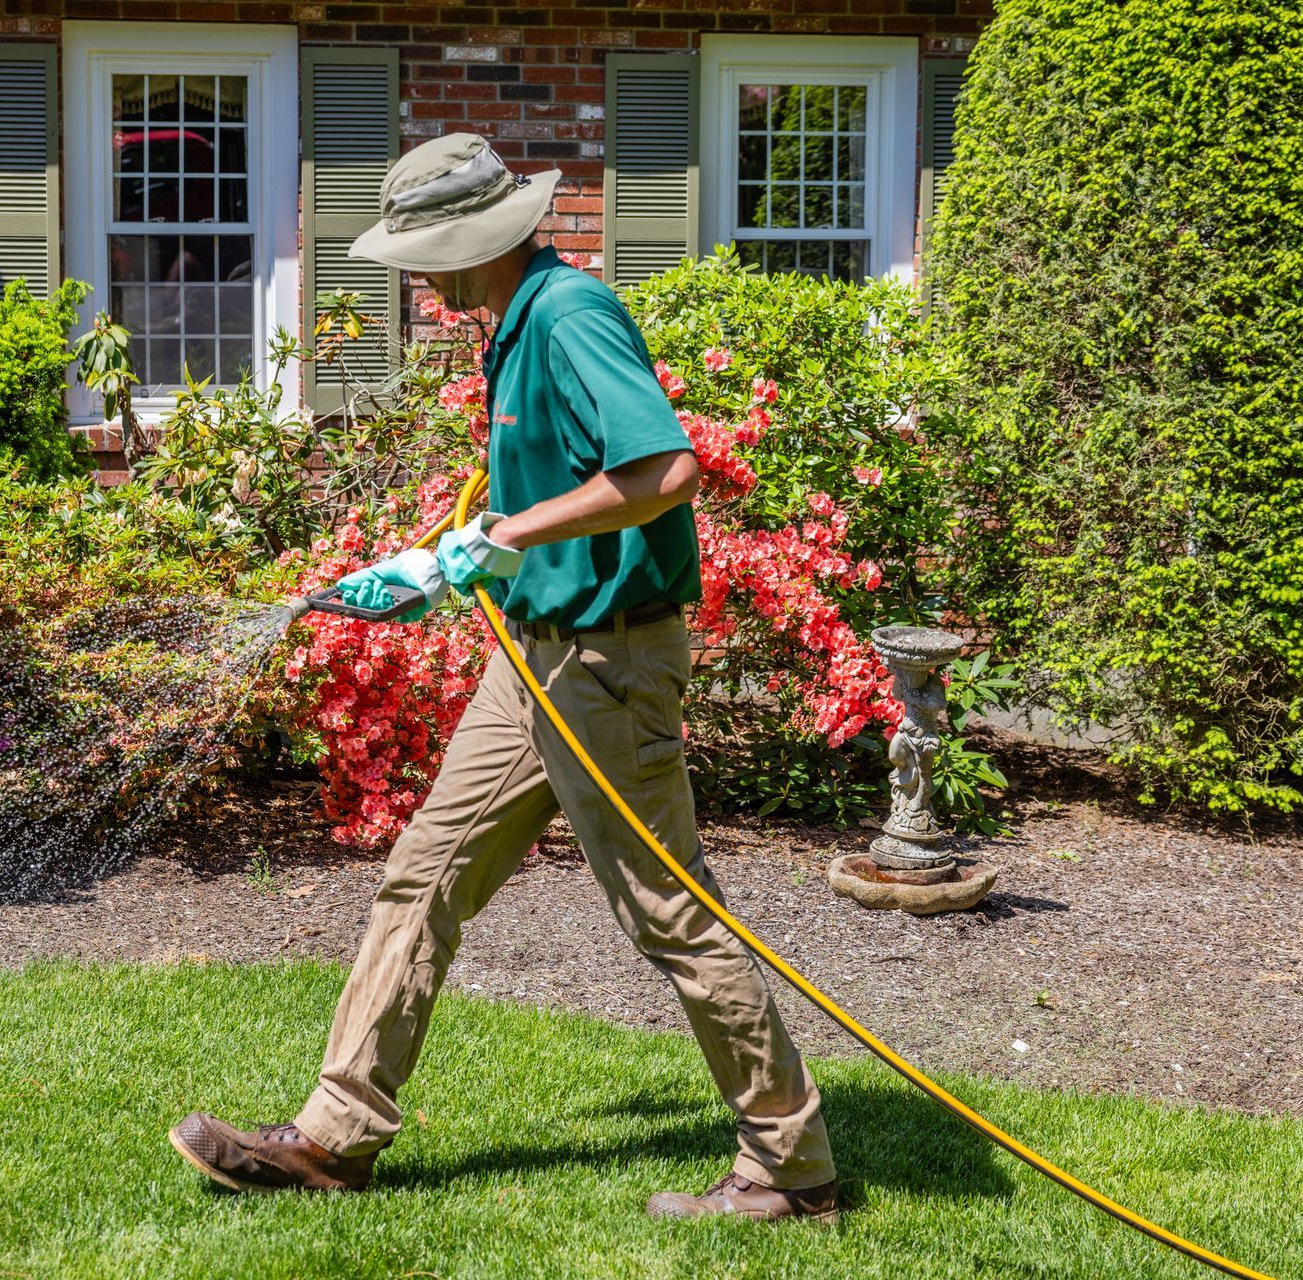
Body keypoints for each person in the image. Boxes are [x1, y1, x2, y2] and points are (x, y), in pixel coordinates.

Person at [170, 133, 839, 1222]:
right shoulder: (512, 326)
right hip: (535, 654)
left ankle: (791, 1164)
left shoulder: (570, 317)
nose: (415, 277)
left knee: (670, 910)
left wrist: (506, 533)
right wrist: (444, 556)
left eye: (420, 253)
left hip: (608, 659)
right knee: (423, 874)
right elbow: (556, 487)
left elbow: (664, 469)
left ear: (465, 241)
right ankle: (335, 1137)